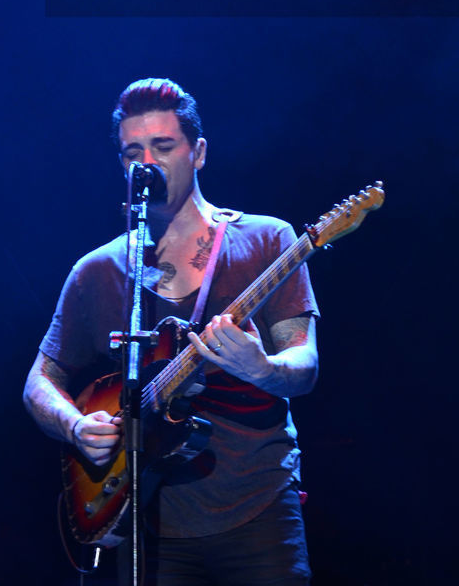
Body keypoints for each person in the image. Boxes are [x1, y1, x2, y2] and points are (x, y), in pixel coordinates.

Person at [23, 77, 319, 585]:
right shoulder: (99, 270)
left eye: (163, 146)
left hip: (257, 505)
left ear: (198, 152)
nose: (147, 162)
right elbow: (38, 382)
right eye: (133, 151)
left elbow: (304, 365)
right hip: (147, 520)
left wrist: (263, 368)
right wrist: (75, 426)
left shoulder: (268, 239)